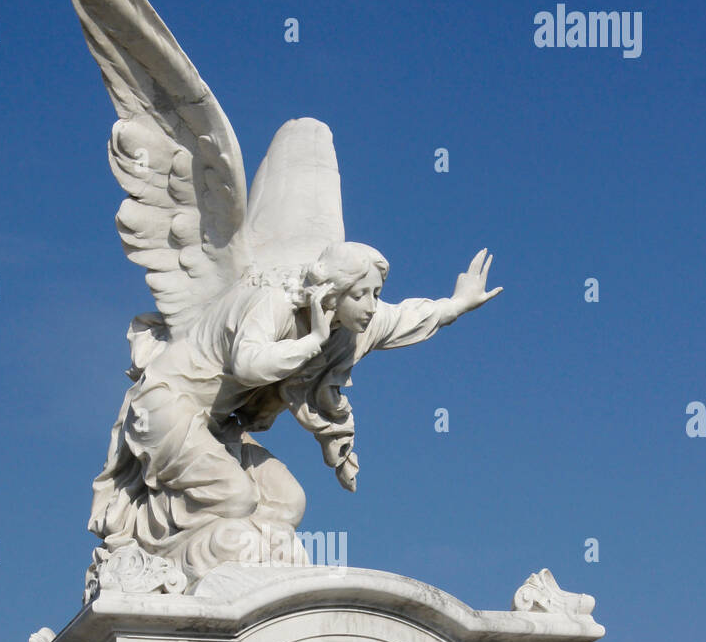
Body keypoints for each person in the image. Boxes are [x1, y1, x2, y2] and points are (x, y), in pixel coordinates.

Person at [87, 242, 500, 587]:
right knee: (236, 497)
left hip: (216, 427)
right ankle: (153, 547)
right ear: (331, 293)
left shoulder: (350, 325)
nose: (373, 306)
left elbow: (404, 318)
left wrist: (457, 304)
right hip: (166, 406)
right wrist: (313, 340)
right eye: (363, 294)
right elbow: (248, 363)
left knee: (287, 502)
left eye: (376, 294)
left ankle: (251, 571)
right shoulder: (274, 303)